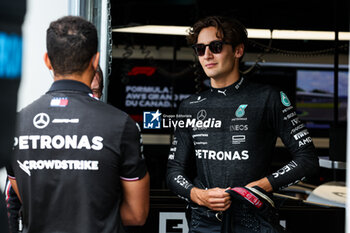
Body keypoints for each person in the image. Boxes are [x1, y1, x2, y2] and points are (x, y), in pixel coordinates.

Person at [166, 15, 319, 232]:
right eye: (200, 49)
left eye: (216, 46)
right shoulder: (189, 106)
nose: (207, 55)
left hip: (254, 217)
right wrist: (197, 195)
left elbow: (308, 160)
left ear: (238, 51)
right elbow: (174, 171)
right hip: (205, 220)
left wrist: (261, 186)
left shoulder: (268, 98)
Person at [6, 16, 150, 233]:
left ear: (47, 60)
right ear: (95, 60)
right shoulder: (120, 125)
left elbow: (29, 202)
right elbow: (137, 215)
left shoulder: (15, 124)